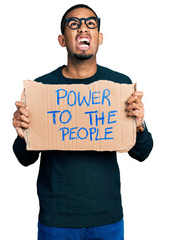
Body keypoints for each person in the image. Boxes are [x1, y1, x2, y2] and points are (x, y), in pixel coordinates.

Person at [12, 4, 153, 240]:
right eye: (73, 24)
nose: (82, 29)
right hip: (56, 219)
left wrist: (139, 124)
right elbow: (24, 158)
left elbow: (142, 153)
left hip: (106, 218)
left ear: (99, 37)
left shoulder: (119, 85)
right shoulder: (42, 89)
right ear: (62, 39)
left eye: (90, 23)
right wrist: (21, 134)